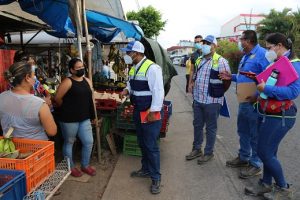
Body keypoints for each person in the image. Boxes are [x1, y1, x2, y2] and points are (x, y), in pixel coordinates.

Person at [244, 33, 300, 200]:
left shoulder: (295, 65)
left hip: (281, 115)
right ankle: (266, 183)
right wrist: (257, 90)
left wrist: (265, 89)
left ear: (280, 45)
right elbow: (267, 84)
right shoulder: (277, 63)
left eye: (269, 47)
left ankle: (283, 188)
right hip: (268, 112)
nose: (267, 51)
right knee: (270, 151)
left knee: (264, 152)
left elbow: (293, 92)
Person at [220, 30, 270, 179]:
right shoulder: (246, 56)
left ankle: (255, 164)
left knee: (255, 133)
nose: (240, 42)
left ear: (248, 41)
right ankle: (243, 157)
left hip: (254, 102)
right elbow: (244, 76)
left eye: (241, 39)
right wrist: (231, 76)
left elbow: (268, 79)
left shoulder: (262, 55)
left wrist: (258, 96)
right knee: (243, 131)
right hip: (243, 101)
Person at [120, 41, 164, 194]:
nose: (126, 55)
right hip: (138, 110)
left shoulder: (152, 68)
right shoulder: (133, 68)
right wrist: (126, 90)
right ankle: (145, 169)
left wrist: (154, 112)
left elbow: (158, 91)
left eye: (128, 52)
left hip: (149, 112)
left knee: (151, 145)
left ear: (136, 53)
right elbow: (131, 85)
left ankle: (156, 177)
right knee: (142, 142)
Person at [185, 35, 231, 164]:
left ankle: (208, 152)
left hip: (213, 101)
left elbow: (227, 81)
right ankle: (196, 149)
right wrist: (191, 83)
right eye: (204, 43)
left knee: (211, 128)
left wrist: (219, 93)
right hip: (198, 99)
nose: (205, 45)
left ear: (214, 46)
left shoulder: (221, 61)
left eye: (208, 43)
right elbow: (195, 74)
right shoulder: (199, 59)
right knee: (197, 125)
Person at [55, 58, 96, 177]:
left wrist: (93, 115)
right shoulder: (67, 82)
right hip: (69, 119)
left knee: (89, 142)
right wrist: (66, 107)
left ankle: (85, 165)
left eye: (82, 67)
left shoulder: (87, 81)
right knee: (69, 142)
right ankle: (71, 167)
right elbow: (57, 98)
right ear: (71, 70)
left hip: (84, 118)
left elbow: (90, 100)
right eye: (78, 68)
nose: (81, 69)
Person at [0, 61, 57, 140]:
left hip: (10, 148)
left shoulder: (2, 97)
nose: (35, 77)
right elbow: (52, 131)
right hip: (36, 148)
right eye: (34, 74)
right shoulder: (40, 104)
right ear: (27, 77)